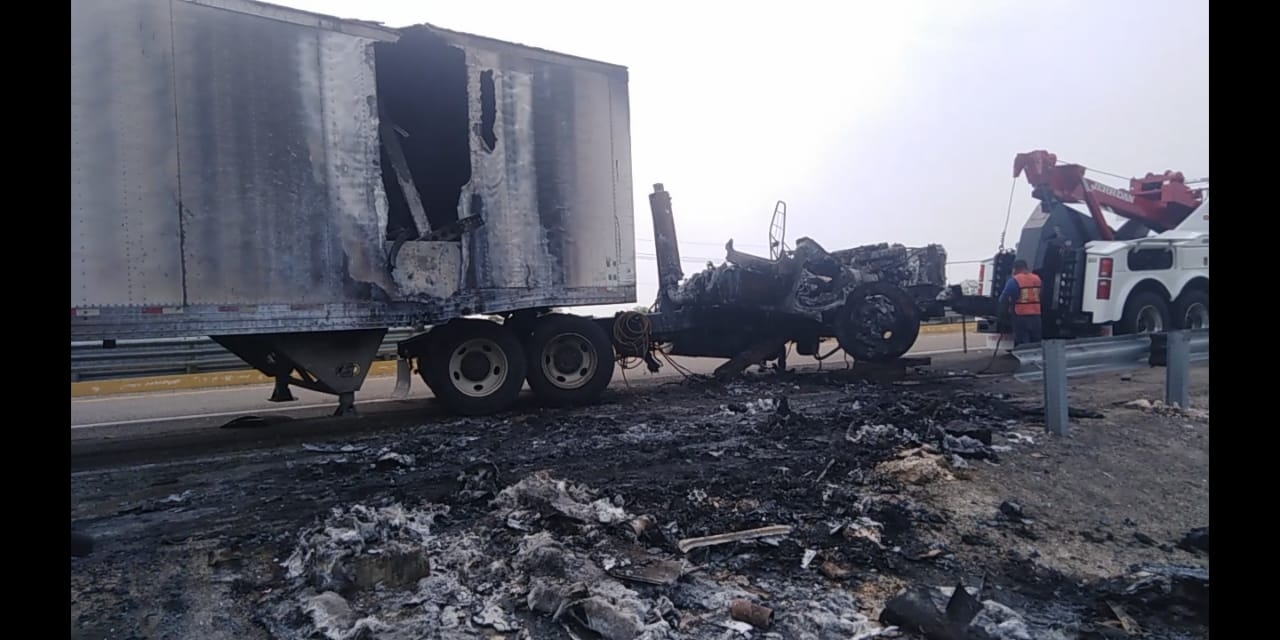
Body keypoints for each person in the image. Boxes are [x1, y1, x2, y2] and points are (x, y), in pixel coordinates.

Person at [999, 259, 1043, 346]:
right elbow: (1041, 294)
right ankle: (1036, 358)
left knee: (1023, 341)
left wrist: (1005, 309)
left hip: (1021, 315)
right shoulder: (1037, 279)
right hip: (1036, 315)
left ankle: (1026, 358)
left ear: (1015, 269)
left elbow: (1003, 298)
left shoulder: (1014, 280)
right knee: (1036, 340)